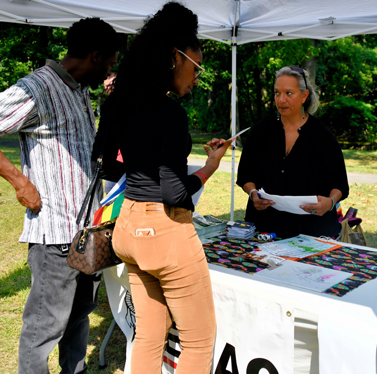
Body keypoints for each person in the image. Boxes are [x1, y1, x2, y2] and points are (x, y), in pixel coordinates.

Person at [93, 2, 230, 373]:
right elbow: (175, 193)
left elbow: (109, 162)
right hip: (164, 232)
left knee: (150, 334)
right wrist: (208, 169)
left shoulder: (120, 103)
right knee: (198, 342)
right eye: (197, 67)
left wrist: (144, 163)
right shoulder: (169, 113)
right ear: (175, 57)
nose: (197, 77)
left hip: (129, 230)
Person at [0, 18, 120, 374]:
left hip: (88, 233)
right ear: (95, 56)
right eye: (110, 64)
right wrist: (19, 181)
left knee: (79, 318)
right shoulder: (37, 87)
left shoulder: (80, 89)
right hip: (54, 235)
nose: (109, 73)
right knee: (43, 328)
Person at [236, 66, 349, 239]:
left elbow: (340, 184)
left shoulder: (322, 134)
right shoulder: (261, 130)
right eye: (277, 93)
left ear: (304, 96)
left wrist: (330, 202)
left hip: (311, 232)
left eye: (289, 93)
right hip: (264, 229)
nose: (281, 100)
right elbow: (245, 174)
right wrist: (253, 194)